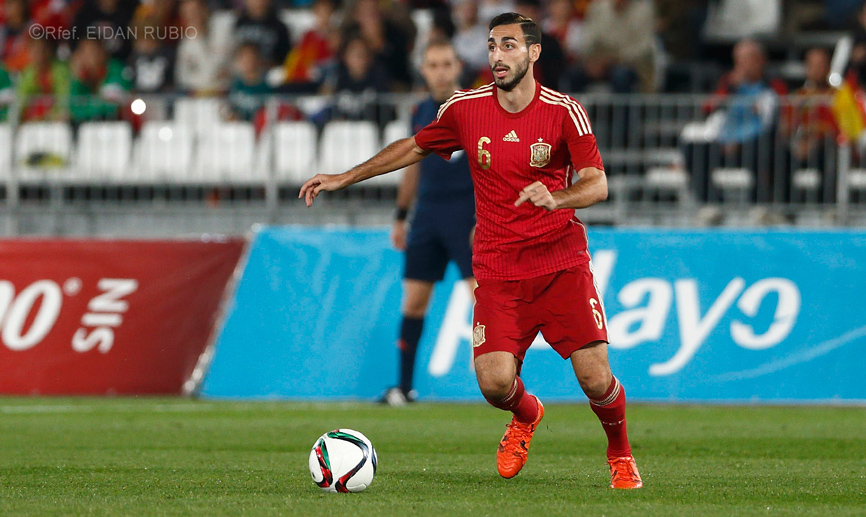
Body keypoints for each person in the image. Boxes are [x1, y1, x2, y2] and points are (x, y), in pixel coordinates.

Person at [300, 12, 642, 489]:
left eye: (508, 45)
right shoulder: (465, 108)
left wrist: (558, 197)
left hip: (560, 264)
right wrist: (344, 177)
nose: (497, 55)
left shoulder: (565, 111)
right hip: (499, 269)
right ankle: (527, 414)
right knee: (494, 383)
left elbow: (597, 183)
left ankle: (620, 454)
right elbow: (413, 148)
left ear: (533, 53)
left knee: (595, 379)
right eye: (492, 46)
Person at [379, 39, 476, 407]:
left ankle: (502, 382)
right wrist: (401, 216)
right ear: (423, 70)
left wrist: (487, 214)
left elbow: (491, 163)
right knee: (414, 302)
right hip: (428, 214)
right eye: (433, 65)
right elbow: (412, 166)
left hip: (467, 212)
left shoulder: (475, 107)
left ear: (458, 67)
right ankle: (404, 388)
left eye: (446, 64)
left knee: (484, 296)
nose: (440, 72)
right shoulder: (420, 110)